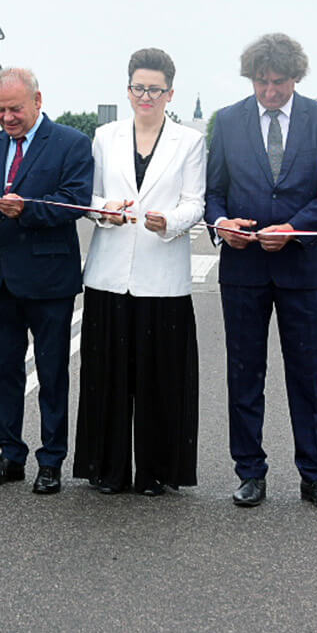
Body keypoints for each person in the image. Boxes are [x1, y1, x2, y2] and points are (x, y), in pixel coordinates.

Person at [205, 33, 317, 510]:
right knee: (245, 375)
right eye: (262, 83)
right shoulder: (226, 122)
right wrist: (221, 222)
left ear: (296, 77)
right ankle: (250, 472)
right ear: (251, 78)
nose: (270, 92)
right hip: (243, 268)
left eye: (280, 83)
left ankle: (315, 476)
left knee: (307, 377)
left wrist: (295, 227)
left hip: (300, 269)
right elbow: (214, 192)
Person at [75, 48, 207, 495]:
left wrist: (169, 221)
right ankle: (106, 469)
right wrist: (103, 211)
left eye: (155, 89)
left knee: (160, 379)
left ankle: (155, 471)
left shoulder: (188, 142)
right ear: (127, 90)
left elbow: (195, 203)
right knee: (105, 376)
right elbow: (88, 196)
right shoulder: (104, 136)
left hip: (162, 275)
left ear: (170, 93)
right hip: (109, 273)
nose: (145, 95)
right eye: (138, 87)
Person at [0, 67, 94, 495]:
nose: (7, 117)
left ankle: (52, 458)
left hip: (49, 278)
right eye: (0, 110)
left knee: (52, 372)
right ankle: (10, 454)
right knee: (3, 370)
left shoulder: (72, 143)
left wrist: (30, 211)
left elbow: (76, 202)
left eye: (15, 108)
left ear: (38, 101)